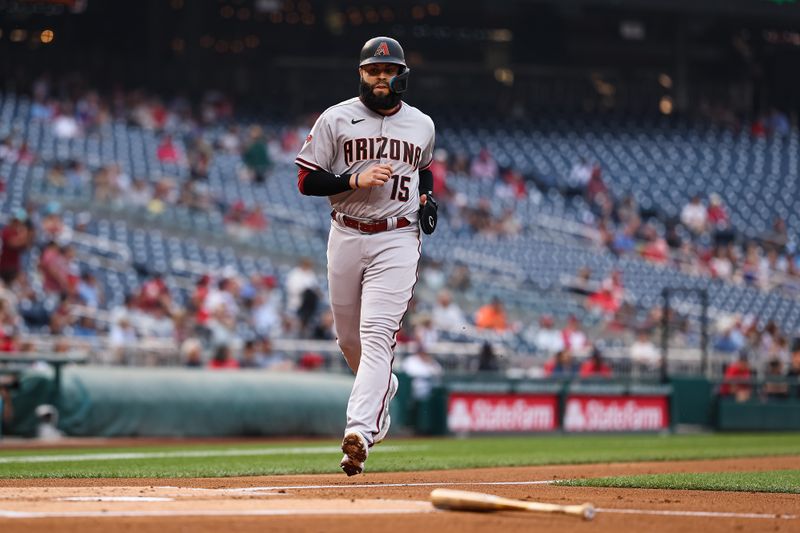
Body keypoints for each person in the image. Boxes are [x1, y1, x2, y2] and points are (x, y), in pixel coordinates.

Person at [295, 36, 437, 476]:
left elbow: (424, 167)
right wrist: (354, 181)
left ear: (401, 75)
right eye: (373, 71)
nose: (380, 77)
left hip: (397, 237)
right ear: (361, 74)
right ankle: (384, 386)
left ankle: (358, 432)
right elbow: (306, 181)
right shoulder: (336, 118)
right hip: (347, 232)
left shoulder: (422, 125)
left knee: (377, 335)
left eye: (388, 70)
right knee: (349, 341)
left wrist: (427, 196)